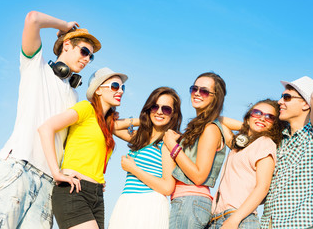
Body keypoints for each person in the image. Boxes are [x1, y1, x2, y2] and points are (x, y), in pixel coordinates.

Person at [0, 11, 100, 228]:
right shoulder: (35, 67)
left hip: (49, 182)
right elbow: (32, 19)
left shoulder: (73, 96)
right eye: (84, 51)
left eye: (91, 56)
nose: (87, 59)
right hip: (19, 168)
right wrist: (64, 24)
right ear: (66, 45)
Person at [38, 67, 127, 229]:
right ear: (98, 90)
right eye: (115, 86)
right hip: (74, 189)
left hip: (97, 195)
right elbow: (46, 128)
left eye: (122, 88)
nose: (120, 91)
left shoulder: (106, 125)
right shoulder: (86, 108)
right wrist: (56, 173)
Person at [261, 76, 313, 229]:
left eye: (287, 97)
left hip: (300, 224)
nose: (279, 102)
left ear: (305, 104)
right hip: (268, 224)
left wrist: (309, 93)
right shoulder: (280, 141)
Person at [108, 87, 182, 229]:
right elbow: (112, 126)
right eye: (155, 107)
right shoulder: (140, 138)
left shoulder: (167, 143)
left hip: (149, 205)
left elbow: (167, 187)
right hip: (126, 203)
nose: (159, 111)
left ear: (173, 114)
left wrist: (133, 169)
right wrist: (143, 119)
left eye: (166, 109)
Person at [208, 99, 285, 229]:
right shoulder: (239, 145)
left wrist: (234, 220)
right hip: (217, 218)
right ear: (248, 117)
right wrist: (247, 126)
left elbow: (263, 187)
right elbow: (216, 119)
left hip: (239, 219)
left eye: (269, 117)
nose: (262, 118)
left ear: (274, 125)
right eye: (257, 113)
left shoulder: (265, 143)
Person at [163, 72, 227, 229]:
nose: (197, 93)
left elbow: (199, 176)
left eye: (204, 91)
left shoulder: (210, 129)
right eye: (194, 88)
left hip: (190, 202)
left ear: (215, 97)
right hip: (188, 203)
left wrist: (173, 146)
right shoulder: (200, 126)